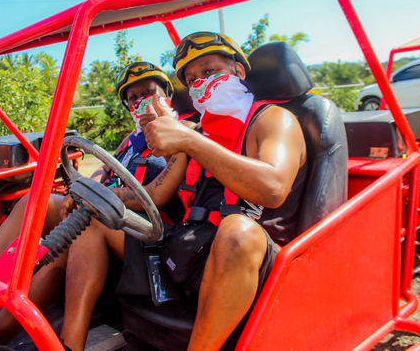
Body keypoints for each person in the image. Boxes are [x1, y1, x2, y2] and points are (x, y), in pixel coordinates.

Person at [39, 32, 307, 351]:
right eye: (192, 79)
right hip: (187, 246)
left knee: (237, 230)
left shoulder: (273, 119)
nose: (200, 83)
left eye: (209, 71)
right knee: (92, 219)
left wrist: (190, 140)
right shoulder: (195, 130)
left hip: (253, 257)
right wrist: (99, 195)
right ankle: (68, 346)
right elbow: (154, 194)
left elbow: (273, 188)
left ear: (239, 71)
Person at [0, 62, 185, 346]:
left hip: (153, 232)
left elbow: (159, 195)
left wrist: (98, 199)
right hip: (115, 219)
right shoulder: (131, 140)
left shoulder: (183, 131)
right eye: (133, 99)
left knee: (87, 222)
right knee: (35, 201)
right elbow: (101, 171)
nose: (141, 102)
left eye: (148, 93)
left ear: (166, 94)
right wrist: (84, 189)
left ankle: (65, 341)